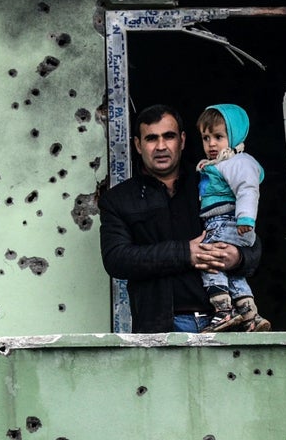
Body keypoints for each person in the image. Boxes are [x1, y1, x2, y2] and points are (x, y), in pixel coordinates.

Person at [99, 104, 263, 333]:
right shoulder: (118, 200)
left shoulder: (210, 184)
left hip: (226, 323)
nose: (161, 146)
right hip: (162, 327)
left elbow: (252, 243)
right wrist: (185, 253)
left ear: (183, 140)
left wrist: (237, 257)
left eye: (169, 136)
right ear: (138, 145)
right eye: (151, 139)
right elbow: (116, 259)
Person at [195, 104, 271, 333]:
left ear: (234, 135)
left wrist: (245, 219)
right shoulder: (219, 164)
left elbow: (248, 189)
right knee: (232, 272)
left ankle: (222, 312)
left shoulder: (238, 162)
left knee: (209, 260)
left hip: (227, 222)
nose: (211, 144)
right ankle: (250, 315)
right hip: (224, 222)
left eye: (219, 136)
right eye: (206, 138)